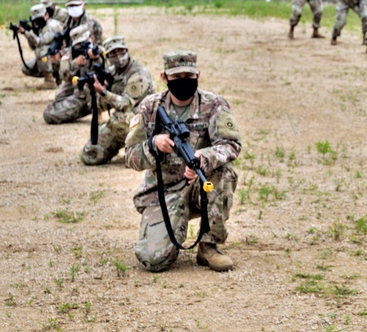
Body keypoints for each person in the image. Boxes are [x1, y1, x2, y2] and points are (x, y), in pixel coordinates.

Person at [123, 51, 241, 273]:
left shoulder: (214, 104)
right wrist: (153, 144)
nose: (183, 81)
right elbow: (129, 155)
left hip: (199, 186)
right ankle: (172, 229)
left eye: (189, 75)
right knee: (153, 260)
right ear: (164, 77)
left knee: (224, 172)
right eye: (176, 77)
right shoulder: (150, 107)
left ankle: (208, 246)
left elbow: (231, 144)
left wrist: (203, 157)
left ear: (198, 74)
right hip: (162, 192)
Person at [81, 36, 155, 165]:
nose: (118, 55)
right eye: (113, 53)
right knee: (89, 155)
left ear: (127, 51)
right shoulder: (112, 73)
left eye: (121, 51)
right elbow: (101, 106)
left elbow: (126, 104)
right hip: (123, 120)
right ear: (108, 56)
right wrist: (93, 91)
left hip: (145, 121)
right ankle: (118, 146)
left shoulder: (138, 74)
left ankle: (140, 150)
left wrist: (104, 92)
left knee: (118, 120)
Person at [43, 25, 99, 124]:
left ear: (91, 38)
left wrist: (96, 59)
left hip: (93, 91)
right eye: (79, 44)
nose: (82, 46)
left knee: (50, 115)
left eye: (85, 42)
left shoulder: (99, 51)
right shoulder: (71, 53)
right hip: (78, 89)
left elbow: (112, 72)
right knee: (59, 97)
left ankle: (94, 110)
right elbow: (63, 76)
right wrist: (75, 63)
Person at [19, 3, 63, 88]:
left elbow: (40, 42)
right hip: (50, 59)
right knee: (27, 68)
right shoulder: (40, 27)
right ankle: (55, 76)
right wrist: (31, 32)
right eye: (35, 20)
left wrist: (26, 33)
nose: (37, 22)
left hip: (60, 57)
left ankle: (50, 80)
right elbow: (33, 47)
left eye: (39, 19)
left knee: (42, 51)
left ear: (46, 15)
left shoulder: (53, 26)